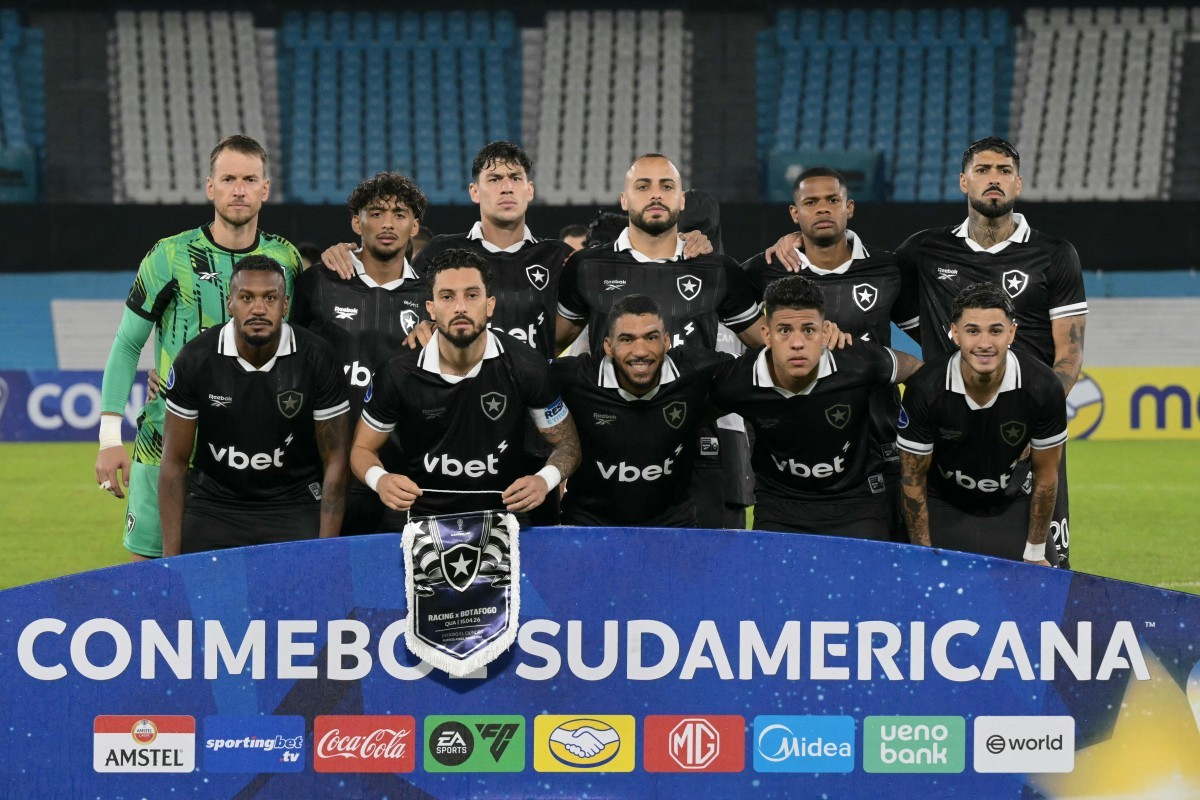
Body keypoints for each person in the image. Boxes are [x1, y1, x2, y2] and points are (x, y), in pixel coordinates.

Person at [95, 134, 304, 560]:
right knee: (151, 580)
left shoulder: (287, 260)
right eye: (228, 179)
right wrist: (108, 437)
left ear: (265, 189)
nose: (239, 189)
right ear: (211, 187)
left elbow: (303, 349)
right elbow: (127, 344)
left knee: (254, 584)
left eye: (250, 179)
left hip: (255, 453)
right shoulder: (169, 256)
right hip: (165, 444)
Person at [896, 136, 1085, 566]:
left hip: (1026, 432)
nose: (993, 179)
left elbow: (1069, 355)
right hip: (948, 428)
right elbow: (860, 277)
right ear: (964, 181)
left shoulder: (1055, 254)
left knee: (1044, 566)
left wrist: (1034, 419)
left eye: (1003, 171)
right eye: (983, 170)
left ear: (1018, 184)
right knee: (943, 565)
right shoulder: (926, 250)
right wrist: (796, 242)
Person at [554, 153, 765, 529]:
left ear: (682, 200)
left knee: (700, 578)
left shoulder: (716, 269)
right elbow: (545, 349)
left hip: (699, 451)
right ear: (624, 199)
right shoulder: (588, 268)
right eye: (643, 186)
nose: (656, 195)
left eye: (666, 186)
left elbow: (768, 348)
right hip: (606, 454)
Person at [743, 167, 920, 539]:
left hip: (878, 446)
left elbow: (932, 340)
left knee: (877, 578)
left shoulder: (887, 269)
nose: (822, 209)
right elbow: (719, 304)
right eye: (810, 202)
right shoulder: (765, 270)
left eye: (832, 200)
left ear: (849, 207)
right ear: (795, 214)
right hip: (788, 455)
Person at [351, 248, 581, 521]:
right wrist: (381, 480)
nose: (460, 307)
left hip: (503, 517)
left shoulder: (526, 365)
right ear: (431, 309)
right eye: (447, 297)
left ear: (490, 304)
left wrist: (544, 480)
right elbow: (361, 450)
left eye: (472, 295)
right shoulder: (399, 373)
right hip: (424, 518)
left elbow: (569, 446)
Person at [158, 256, 350, 556]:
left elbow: (336, 459)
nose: (258, 308)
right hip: (215, 505)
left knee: (307, 600)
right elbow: (174, 462)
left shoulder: (317, 358)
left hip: (293, 502)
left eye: (270, 298)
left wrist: (325, 552)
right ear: (230, 303)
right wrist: (171, 557)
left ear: (285, 305)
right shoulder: (195, 359)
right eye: (246, 297)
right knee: (203, 601)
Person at [711, 275, 921, 538]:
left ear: (825, 331)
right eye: (785, 330)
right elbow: (698, 413)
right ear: (766, 334)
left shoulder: (858, 361)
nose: (797, 343)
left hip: (857, 503)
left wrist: (917, 431)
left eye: (809, 330)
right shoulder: (738, 379)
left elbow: (916, 369)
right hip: (779, 507)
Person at [291, 172, 431, 534]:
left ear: (415, 226)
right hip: (317, 474)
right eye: (376, 213)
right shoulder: (318, 284)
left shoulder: (433, 298)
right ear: (357, 222)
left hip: (398, 479)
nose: (388, 223)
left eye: (400, 214)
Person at [897, 282, 1066, 566]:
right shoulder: (925, 388)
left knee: (1043, 596)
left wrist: (1035, 553)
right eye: (973, 331)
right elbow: (913, 480)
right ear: (954, 333)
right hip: (943, 504)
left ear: (1012, 332)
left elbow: (1046, 476)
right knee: (925, 597)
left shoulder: (1043, 386)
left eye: (996, 331)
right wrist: (922, 556)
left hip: (1011, 504)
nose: (985, 344)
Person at [552, 294, 730, 527]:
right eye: (627, 339)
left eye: (651, 337)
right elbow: (524, 381)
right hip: (589, 524)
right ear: (608, 346)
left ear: (666, 341)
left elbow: (756, 374)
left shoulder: (697, 370)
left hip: (672, 524)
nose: (640, 351)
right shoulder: (575, 377)